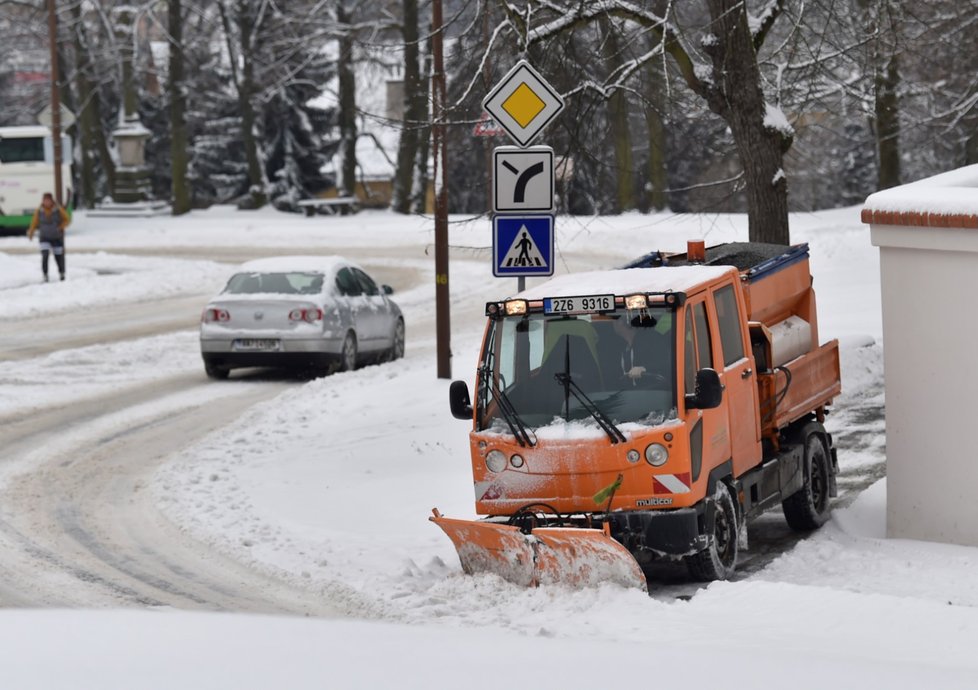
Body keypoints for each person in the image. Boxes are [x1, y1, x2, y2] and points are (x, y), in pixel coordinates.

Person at [26, 192, 69, 282]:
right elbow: (34, 222)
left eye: (48, 200)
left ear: (51, 201)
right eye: (45, 200)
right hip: (44, 237)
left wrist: (60, 227)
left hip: (56, 237)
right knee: (45, 255)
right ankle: (45, 274)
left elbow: (67, 219)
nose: (46, 202)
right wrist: (31, 232)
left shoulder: (58, 209)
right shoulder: (39, 210)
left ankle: (61, 273)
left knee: (58, 257)